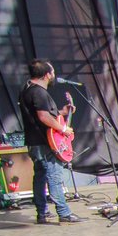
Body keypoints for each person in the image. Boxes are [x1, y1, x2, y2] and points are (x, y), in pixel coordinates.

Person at [18, 59, 83, 224]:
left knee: (40, 176)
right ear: (47, 75)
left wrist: (62, 111)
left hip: (35, 140)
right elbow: (43, 117)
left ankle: (42, 213)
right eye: (52, 72)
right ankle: (64, 213)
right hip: (45, 142)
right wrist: (63, 129)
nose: (54, 75)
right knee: (54, 176)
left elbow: (42, 114)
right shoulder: (39, 92)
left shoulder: (27, 90)